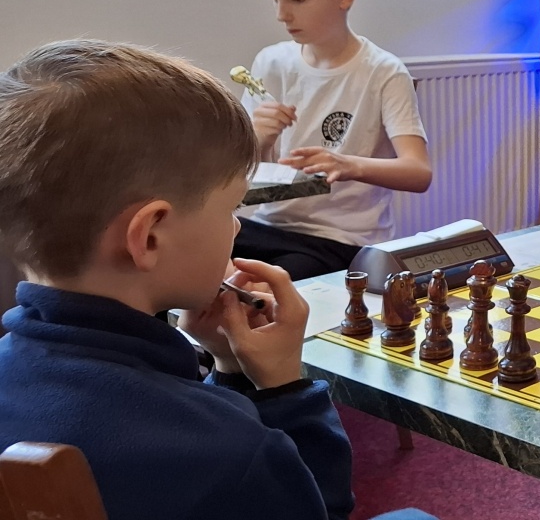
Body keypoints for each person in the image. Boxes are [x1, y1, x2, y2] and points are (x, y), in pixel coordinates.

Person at [0, 39, 434, 520]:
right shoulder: (230, 450)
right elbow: (322, 509)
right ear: (149, 237)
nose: (237, 228)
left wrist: (227, 367)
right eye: (231, 208)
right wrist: (284, 390)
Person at [233, 0, 432, 281]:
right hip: (268, 227)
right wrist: (259, 138)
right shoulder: (270, 63)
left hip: (341, 241)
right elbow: (244, 177)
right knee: (174, 262)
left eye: (297, 0)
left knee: (270, 287)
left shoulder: (383, 72)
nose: (281, 14)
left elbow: (419, 172)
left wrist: (349, 165)